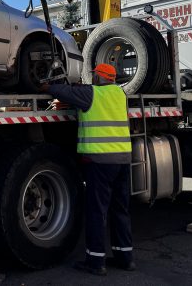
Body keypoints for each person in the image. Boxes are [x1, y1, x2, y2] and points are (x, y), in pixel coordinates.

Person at [41, 63, 135, 276]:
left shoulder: (92, 94)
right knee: (120, 209)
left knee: (96, 211)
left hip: (100, 161)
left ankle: (95, 261)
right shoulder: (119, 94)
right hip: (122, 160)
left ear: (100, 77)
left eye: (94, 76)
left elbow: (64, 92)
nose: (92, 79)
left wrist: (47, 87)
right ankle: (125, 258)